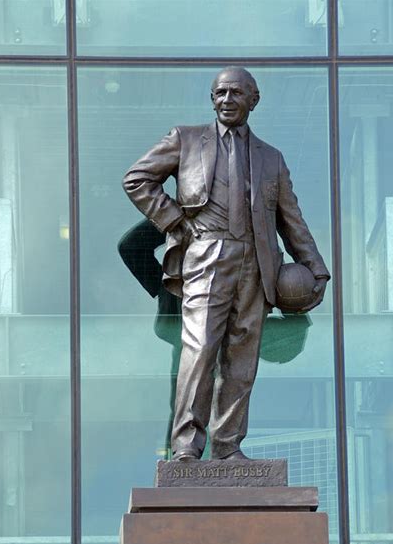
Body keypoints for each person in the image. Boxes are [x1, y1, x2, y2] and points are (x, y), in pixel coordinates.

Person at [122, 66, 330, 461]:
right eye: (220, 93)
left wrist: (315, 268)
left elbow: (292, 220)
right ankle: (185, 447)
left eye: (236, 94)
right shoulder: (185, 140)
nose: (227, 100)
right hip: (206, 255)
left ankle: (227, 446)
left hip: (256, 263)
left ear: (254, 100)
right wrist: (175, 222)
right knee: (199, 350)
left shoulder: (271, 158)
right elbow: (137, 179)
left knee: (242, 358)